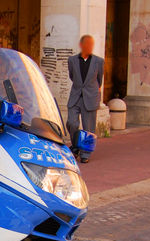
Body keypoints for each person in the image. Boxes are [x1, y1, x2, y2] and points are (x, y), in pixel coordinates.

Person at [67, 35, 104, 163]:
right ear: (81, 45)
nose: (89, 47)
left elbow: (99, 80)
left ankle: (85, 154)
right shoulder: (72, 60)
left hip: (90, 97)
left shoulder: (99, 61)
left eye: (91, 44)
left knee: (89, 127)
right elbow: (72, 76)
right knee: (72, 123)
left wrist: (91, 91)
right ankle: (76, 145)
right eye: (87, 44)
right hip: (76, 96)